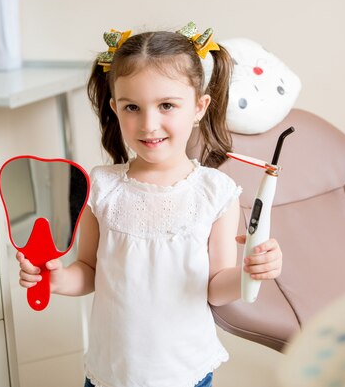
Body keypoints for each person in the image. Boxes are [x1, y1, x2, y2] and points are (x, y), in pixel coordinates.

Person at [16, 22, 283, 387]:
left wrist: (250, 275)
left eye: (167, 105)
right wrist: (57, 277)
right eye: (132, 107)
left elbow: (215, 287)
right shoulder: (102, 186)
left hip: (184, 373)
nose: (149, 124)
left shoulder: (215, 193)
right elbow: (90, 269)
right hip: (111, 372)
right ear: (115, 108)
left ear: (199, 107)